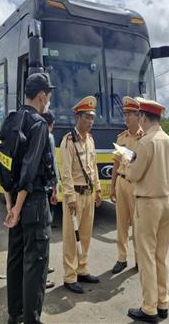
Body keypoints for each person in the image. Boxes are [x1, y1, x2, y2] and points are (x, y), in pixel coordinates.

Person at [3, 72, 56, 324]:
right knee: (36, 262)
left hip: (14, 199)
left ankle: (15, 315)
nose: (47, 102)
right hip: (32, 202)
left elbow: (3, 164)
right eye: (47, 97)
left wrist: (10, 205)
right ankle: (31, 320)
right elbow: (29, 169)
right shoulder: (38, 124)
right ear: (42, 95)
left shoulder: (12, 119)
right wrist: (20, 205)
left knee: (15, 258)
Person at [126, 97, 169, 323]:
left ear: (144, 118)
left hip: (147, 204)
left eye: (139, 117)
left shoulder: (146, 142)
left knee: (146, 257)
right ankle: (162, 302)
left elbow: (134, 174)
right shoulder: (168, 140)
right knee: (161, 256)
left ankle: (149, 308)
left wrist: (127, 163)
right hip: (166, 202)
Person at [60, 95, 102, 294]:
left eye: (92, 118)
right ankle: (69, 276)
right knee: (71, 238)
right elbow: (66, 172)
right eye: (87, 117)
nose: (91, 121)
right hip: (75, 196)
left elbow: (92, 166)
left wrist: (98, 188)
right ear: (77, 118)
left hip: (89, 194)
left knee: (85, 235)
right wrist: (69, 197)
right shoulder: (68, 141)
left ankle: (82, 269)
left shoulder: (90, 141)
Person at [110, 96, 143, 274]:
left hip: (136, 185)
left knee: (137, 224)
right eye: (126, 114)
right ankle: (121, 258)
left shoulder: (144, 139)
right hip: (122, 183)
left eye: (131, 114)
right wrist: (113, 186)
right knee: (121, 223)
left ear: (139, 116)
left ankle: (139, 260)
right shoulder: (121, 137)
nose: (127, 117)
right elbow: (116, 163)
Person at [40, 110, 60, 290]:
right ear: (51, 124)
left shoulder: (31, 134)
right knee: (44, 235)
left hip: (32, 192)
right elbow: (53, 164)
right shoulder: (49, 137)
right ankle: (42, 274)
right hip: (45, 191)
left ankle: (44, 267)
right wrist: (56, 187)